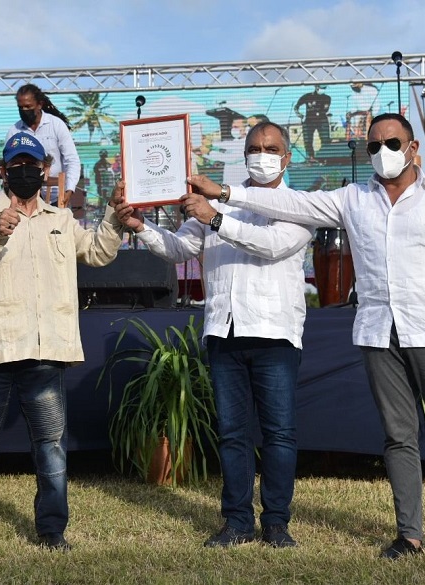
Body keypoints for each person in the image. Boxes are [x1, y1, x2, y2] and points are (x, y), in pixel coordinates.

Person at [187, 113, 425, 561]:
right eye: (374, 146)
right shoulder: (353, 198)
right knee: (398, 437)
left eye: (392, 143)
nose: (383, 152)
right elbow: (293, 204)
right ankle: (409, 536)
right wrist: (227, 193)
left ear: (413, 149)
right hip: (378, 332)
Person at [115, 122, 314, 548]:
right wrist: (140, 226)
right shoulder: (214, 205)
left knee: (279, 433)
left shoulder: (298, 204)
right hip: (225, 330)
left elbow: (271, 245)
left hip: (275, 333)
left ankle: (276, 523)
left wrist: (216, 217)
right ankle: (237, 522)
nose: (262, 155)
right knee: (232, 434)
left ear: (287, 157)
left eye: (271, 148)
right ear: (243, 155)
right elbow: (179, 249)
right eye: (255, 148)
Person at [0, 133, 125, 553]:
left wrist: (114, 215)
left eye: (33, 165)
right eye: (17, 165)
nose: (25, 171)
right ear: (3, 170)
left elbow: (98, 253)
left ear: (45, 170)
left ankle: (52, 530)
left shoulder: (60, 218)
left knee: (51, 447)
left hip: (45, 350)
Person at [5, 83, 81, 206]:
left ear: (39, 104)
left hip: (57, 197)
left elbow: (71, 159)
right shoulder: (14, 130)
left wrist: (70, 189)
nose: (24, 110)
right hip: (26, 199)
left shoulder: (56, 125)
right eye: (20, 107)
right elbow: (8, 163)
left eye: (28, 106)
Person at [294, 85, 331, 160]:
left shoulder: (327, 98)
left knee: (325, 139)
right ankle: (310, 157)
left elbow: (325, 109)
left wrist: (318, 110)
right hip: (309, 120)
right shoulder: (307, 96)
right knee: (307, 140)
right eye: (322, 88)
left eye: (324, 88)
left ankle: (325, 158)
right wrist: (299, 114)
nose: (323, 90)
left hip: (322, 120)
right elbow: (296, 106)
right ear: (317, 87)